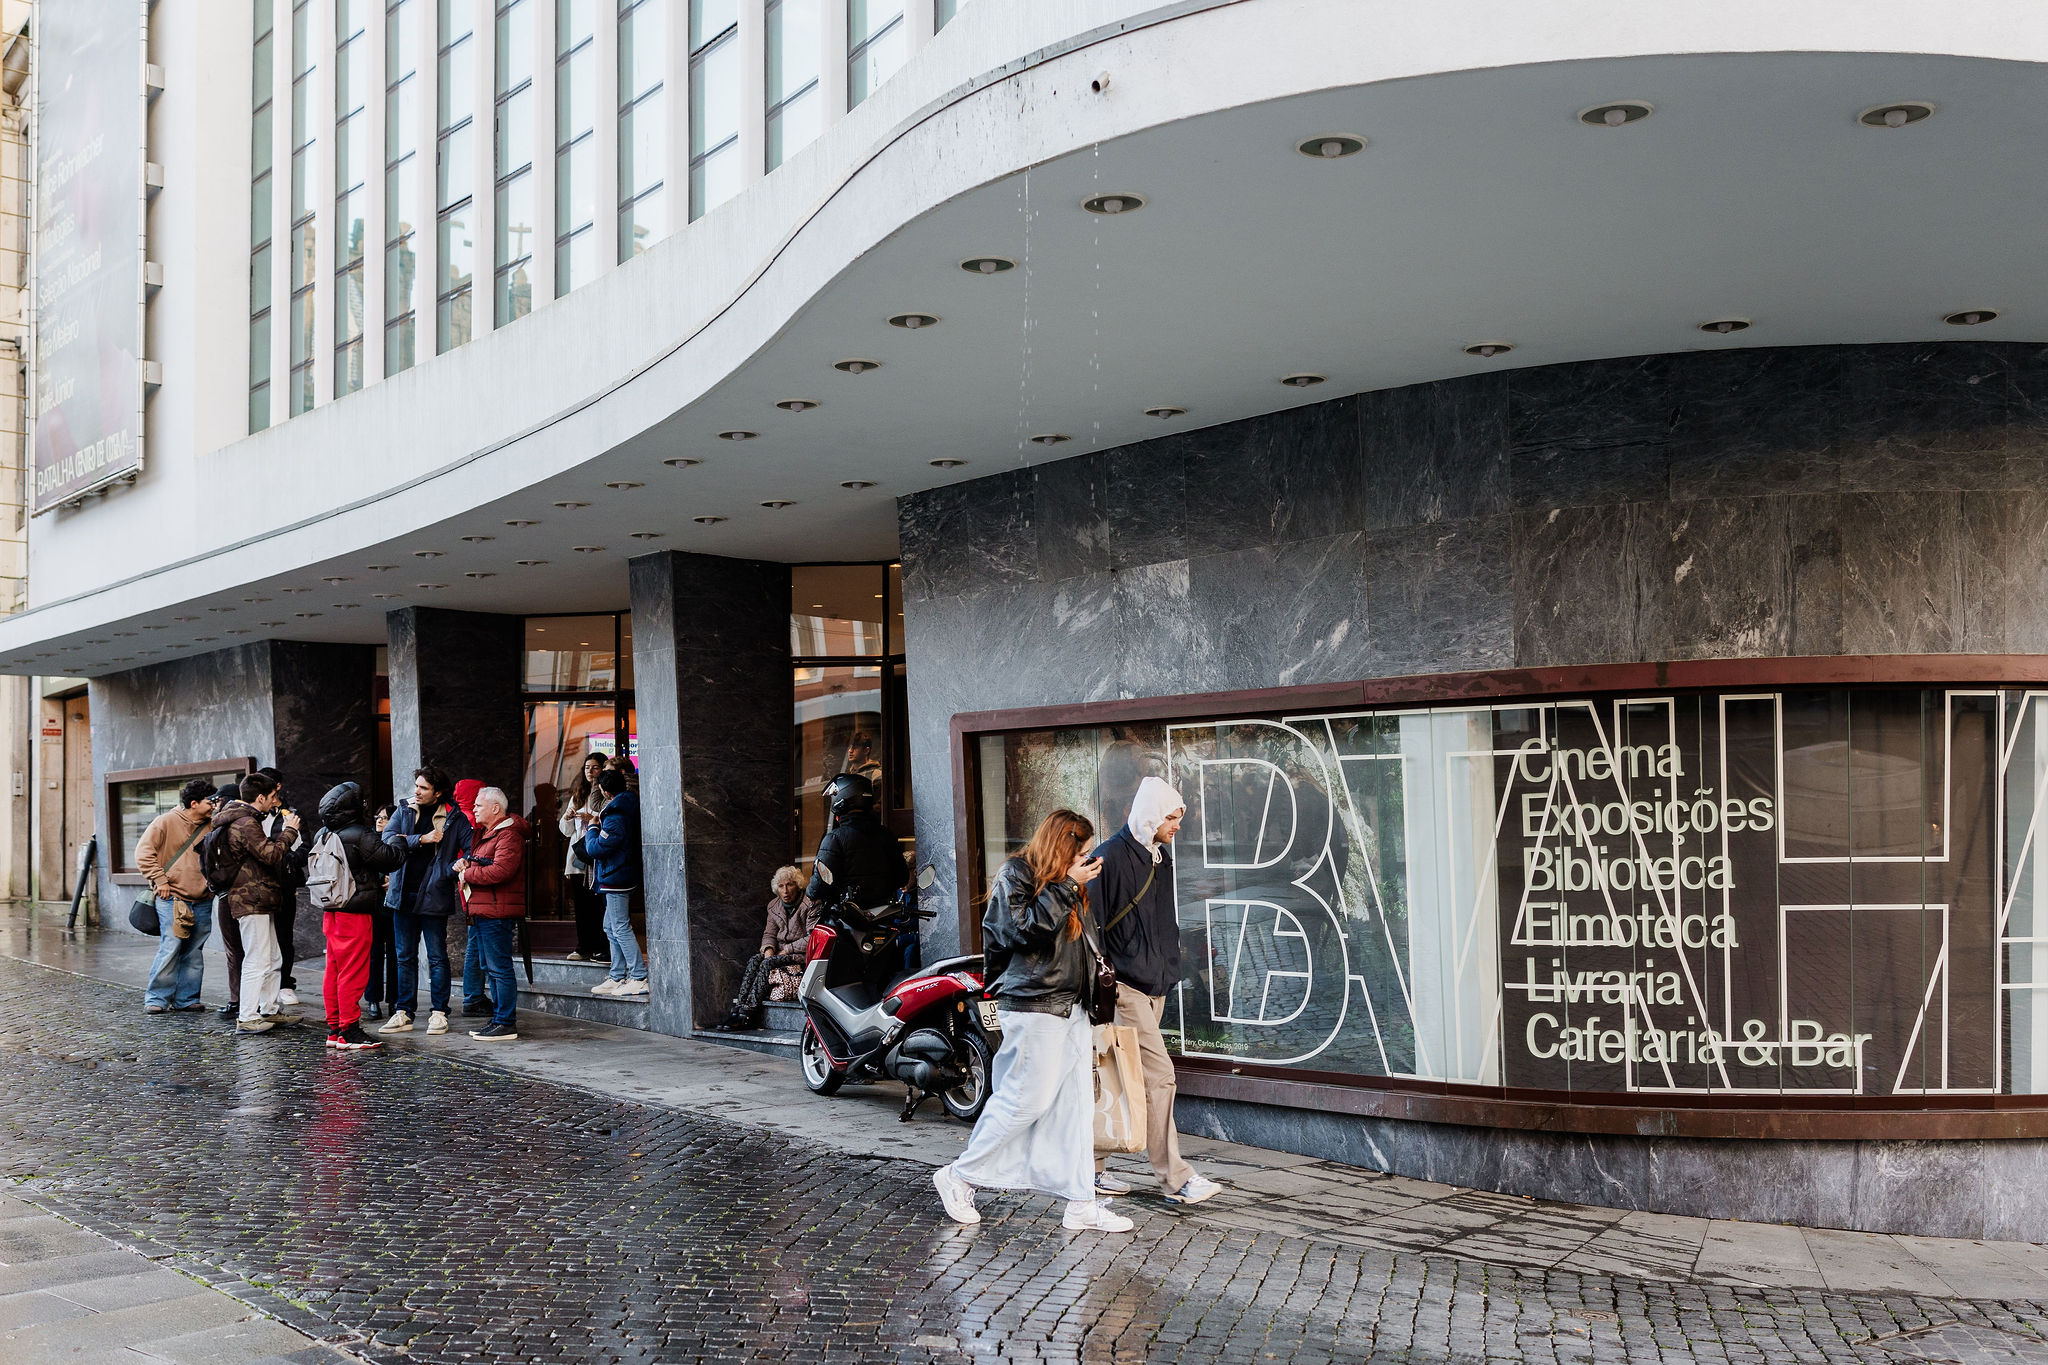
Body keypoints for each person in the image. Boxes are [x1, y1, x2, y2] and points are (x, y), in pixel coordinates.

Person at [932, 809, 1131, 1233]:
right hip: (1033, 1005)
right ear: (1062, 846)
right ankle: (959, 1176)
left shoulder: (1066, 884)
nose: (1087, 857)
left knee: (1075, 1107)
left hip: (1072, 1007)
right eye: (1079, 850)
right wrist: (1065, 885)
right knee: (1025, 1099)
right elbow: (1019, 932)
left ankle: (1081, 1203)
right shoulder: (1019, 874)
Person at [1089, 776, 1221, 1206]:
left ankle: (1089, 1166)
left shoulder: (1159, 858)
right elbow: (1090, 929)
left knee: (1128, 1078)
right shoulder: (1108, 857)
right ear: (1150, 814)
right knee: (1160, 1078)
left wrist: (1173, 966)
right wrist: (1105, 980)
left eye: (1179, 816)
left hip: (1155, 984)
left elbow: (1163, 920)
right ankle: (1176, 1179)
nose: (1177, 824)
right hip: (1124, 986)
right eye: (1171, 816)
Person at [312, 781, 407, 1050]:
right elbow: (391, 858)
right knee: (353, 973)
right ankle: (350, 1031)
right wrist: (396, 837)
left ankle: (335, 1029)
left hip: (331, 910)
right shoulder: (358, 834)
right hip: (355, 911)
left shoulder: (323, 833)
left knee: (333, 970)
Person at [379, 765, 472, 1035]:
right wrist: (422, 838)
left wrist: (453, 868)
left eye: (423, 788)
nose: (416, 791)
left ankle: (439, 1013)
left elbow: (470, 848)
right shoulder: (405, 809)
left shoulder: (455, 817)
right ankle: (403, 1012)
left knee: (437, 957)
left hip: (434, 894)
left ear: (438, 792)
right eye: (416, 786)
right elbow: (387, 837)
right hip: (402, 894)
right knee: (404, 956)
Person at [208, 772, 301, 1034]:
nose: (276, 802)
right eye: (272, 797)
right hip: (251, 897)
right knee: (257, 959)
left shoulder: (242, 819)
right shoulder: (245, 822)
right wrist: (290, 832)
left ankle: (269, 1010)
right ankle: (248, 1017)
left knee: (272, 956)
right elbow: (270, 855)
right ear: (260, 797)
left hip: (258, 896)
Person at [135, 777, 218, 1014]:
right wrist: (160, 880)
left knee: (194, 951)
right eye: (209, 801)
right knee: (171, 946)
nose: (213, 805)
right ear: (194, 803)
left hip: (202, 898)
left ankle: (187, 999)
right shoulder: (166, 821)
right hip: (172, 897)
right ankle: (157, 999)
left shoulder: (211, 824)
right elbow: (143, 853)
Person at [455, 785, 527, 1040]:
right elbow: (485, 864)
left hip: (497, 911)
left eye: (478, 805)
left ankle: (505, 1022)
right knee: (489, 965)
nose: (474, 809)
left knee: (499, 967)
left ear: (495, 808)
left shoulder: (508, 835)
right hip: (484, 910)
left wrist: (467, 873)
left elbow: (501, 871)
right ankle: (499, 1019)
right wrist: (466, 862)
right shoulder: (487, 833)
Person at [720, 865, 810, 1029]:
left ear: (797, 885)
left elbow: (812, 937)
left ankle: (748, 1013)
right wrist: (768, 950)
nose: (785, 891)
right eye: (781, 886)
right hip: (779, 954)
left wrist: (786, 950)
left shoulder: (809, 904)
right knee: (756, 959)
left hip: (800, 954)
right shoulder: (774, 905)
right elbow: (769, 933)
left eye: (789, 885)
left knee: (768, 964)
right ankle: (738, 1009)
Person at [583, 768, 647, 996]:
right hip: (616, 874)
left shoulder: (617, 814)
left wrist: (592, 828)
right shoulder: (621, 808)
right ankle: (617, 975)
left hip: (617, 876)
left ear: (604, 791)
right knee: (610, 926)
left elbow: (596, 848)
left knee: (619, 926)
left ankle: (639, 976)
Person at [257, 766, 309, 1007]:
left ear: (277, 786)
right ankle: (260, 985)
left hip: (284, 882)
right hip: (256, 884)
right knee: (258, 937)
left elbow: (305, 846)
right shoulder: (251, 813)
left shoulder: (292, 813)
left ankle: (285, 983)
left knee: (284, 934)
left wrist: (288, 863)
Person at [557, 754, 609, 962]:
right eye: (587, 767)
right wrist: (568, 817)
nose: (590, 771)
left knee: (598, 904)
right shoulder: (578, 794)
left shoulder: (606, 794)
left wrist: (594, 820)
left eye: (595, 767)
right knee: (581, 905)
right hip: (579, 856)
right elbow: (566, 830)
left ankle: (600, 946)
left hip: (597, 856)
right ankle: (583, 946)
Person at [450, 778, 494, 1019]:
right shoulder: (470, 819)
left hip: (466, 884)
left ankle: (474, 995)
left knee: (475, 940)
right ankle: (473, 996)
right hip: (473, 886)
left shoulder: (458, 815)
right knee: (476, 941)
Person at [211, 782, 248, 1020]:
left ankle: (239, 1001)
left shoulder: (224, 825)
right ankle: (243, 1000)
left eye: (217, 800)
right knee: (244, 950)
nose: (215, 805)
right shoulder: (246, 822)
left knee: (236, 950)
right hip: (242, 894)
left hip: (230, 894)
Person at [362, 804, 401, 1019]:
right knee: (374, 954)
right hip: (374, 906)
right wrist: (380, 881)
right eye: (378, 816)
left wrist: (394, 880)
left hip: (395, 906)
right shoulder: (369, 841)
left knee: (396, 954)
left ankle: (394, 1000)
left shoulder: (399, 839)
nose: (379, 820)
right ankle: (373, 1000)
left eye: (385, 818)